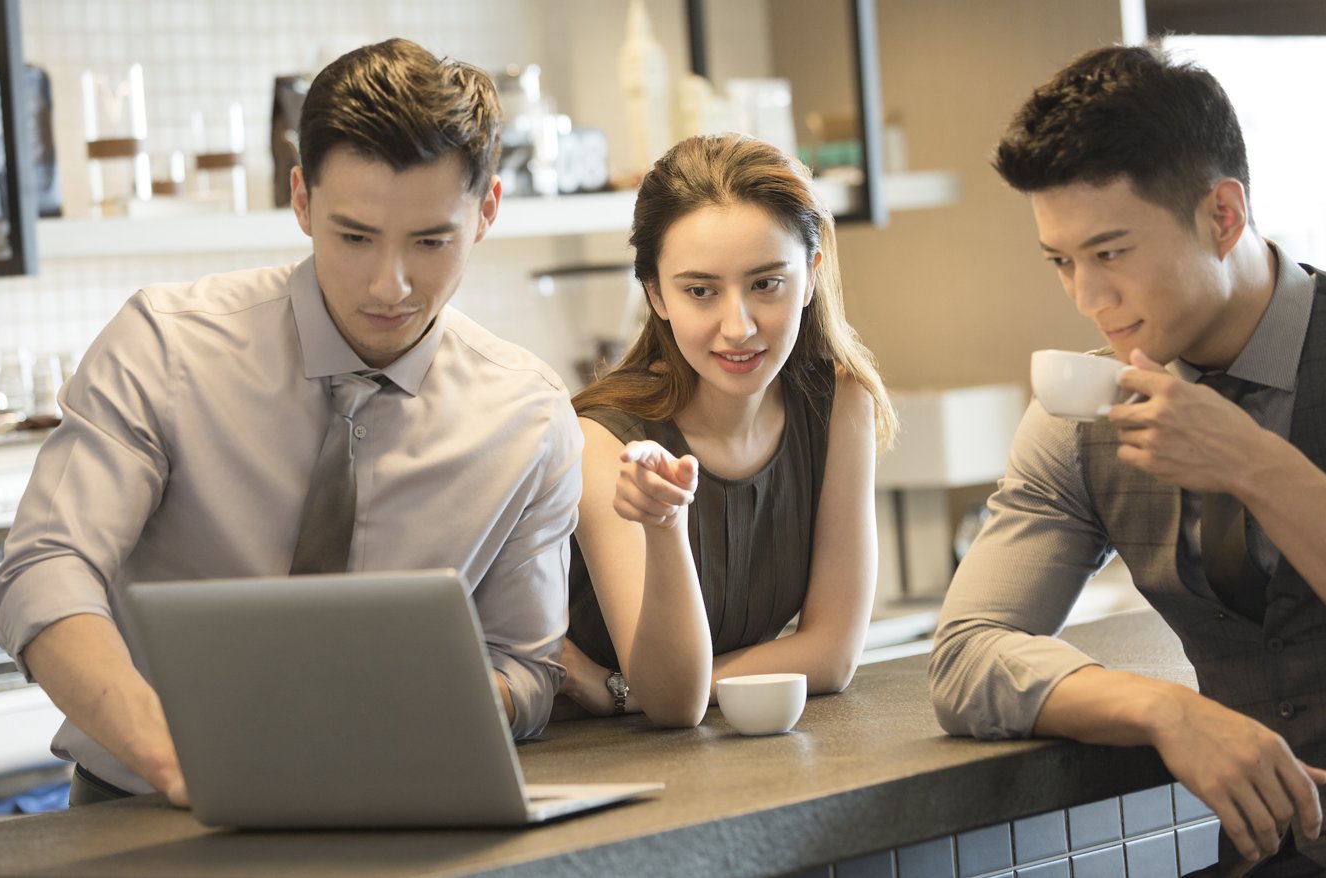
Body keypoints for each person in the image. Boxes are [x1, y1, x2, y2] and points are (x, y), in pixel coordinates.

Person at [0, 38, 581, 807]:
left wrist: (422, 715)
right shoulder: (165, 346)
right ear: (301, 200)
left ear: (487, 210)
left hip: (400, 805)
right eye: (355, 236)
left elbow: (528, 671)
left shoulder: (530, 417)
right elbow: (44, 571)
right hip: (144, 808)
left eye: (431, 241)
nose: (389, 284)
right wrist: (173, 756)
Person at [928, 44, 1326, 876]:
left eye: (1111, 253)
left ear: (1222, 216)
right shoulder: (1085, 416)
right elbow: (968, 656)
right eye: (1062, 262)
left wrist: (1256, 464)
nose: (1088, 298)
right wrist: (1163, 708)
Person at [556, 133, 897, 727]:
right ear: (657, 294)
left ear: (811, 273)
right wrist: (665, 526)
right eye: (700, 291)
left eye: (766, 283)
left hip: (696, 735)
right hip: (595, 759)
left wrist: (621, 690)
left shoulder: (840, 403)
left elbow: (834, 654)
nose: (737, 327)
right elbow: (671, 703)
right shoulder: (601, 440)